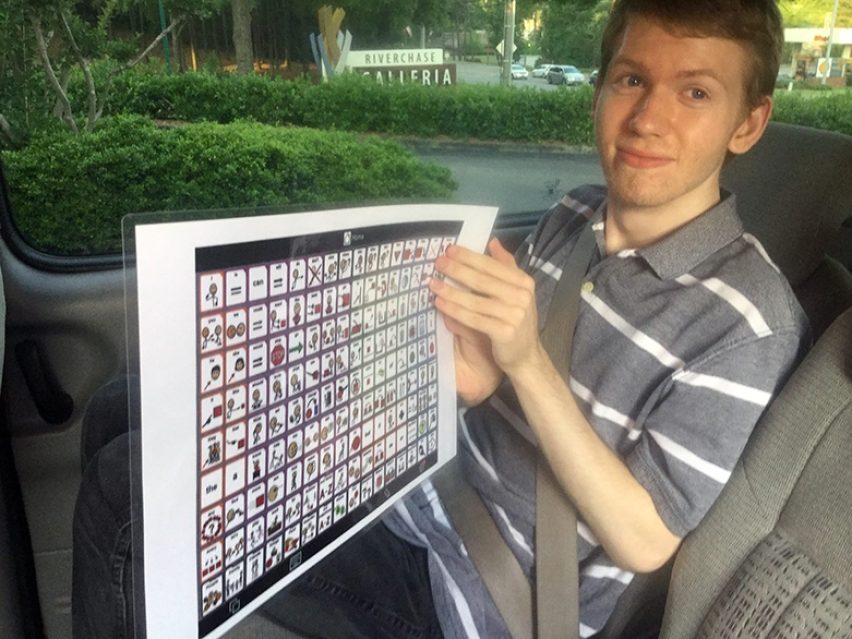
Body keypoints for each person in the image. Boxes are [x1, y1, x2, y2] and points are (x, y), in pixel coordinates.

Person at [72, 1, 809, 637]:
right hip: (419, 475)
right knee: (128, 405)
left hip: (478, 592)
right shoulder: (575, 214)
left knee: (125, 496)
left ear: (748, 123)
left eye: (696, 93)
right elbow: (498, 381)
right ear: (600, 91)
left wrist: (522, 363)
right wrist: (477, 374)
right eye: (631, 79)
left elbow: (646, 537)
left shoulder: (750, 320)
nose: (649, 117)